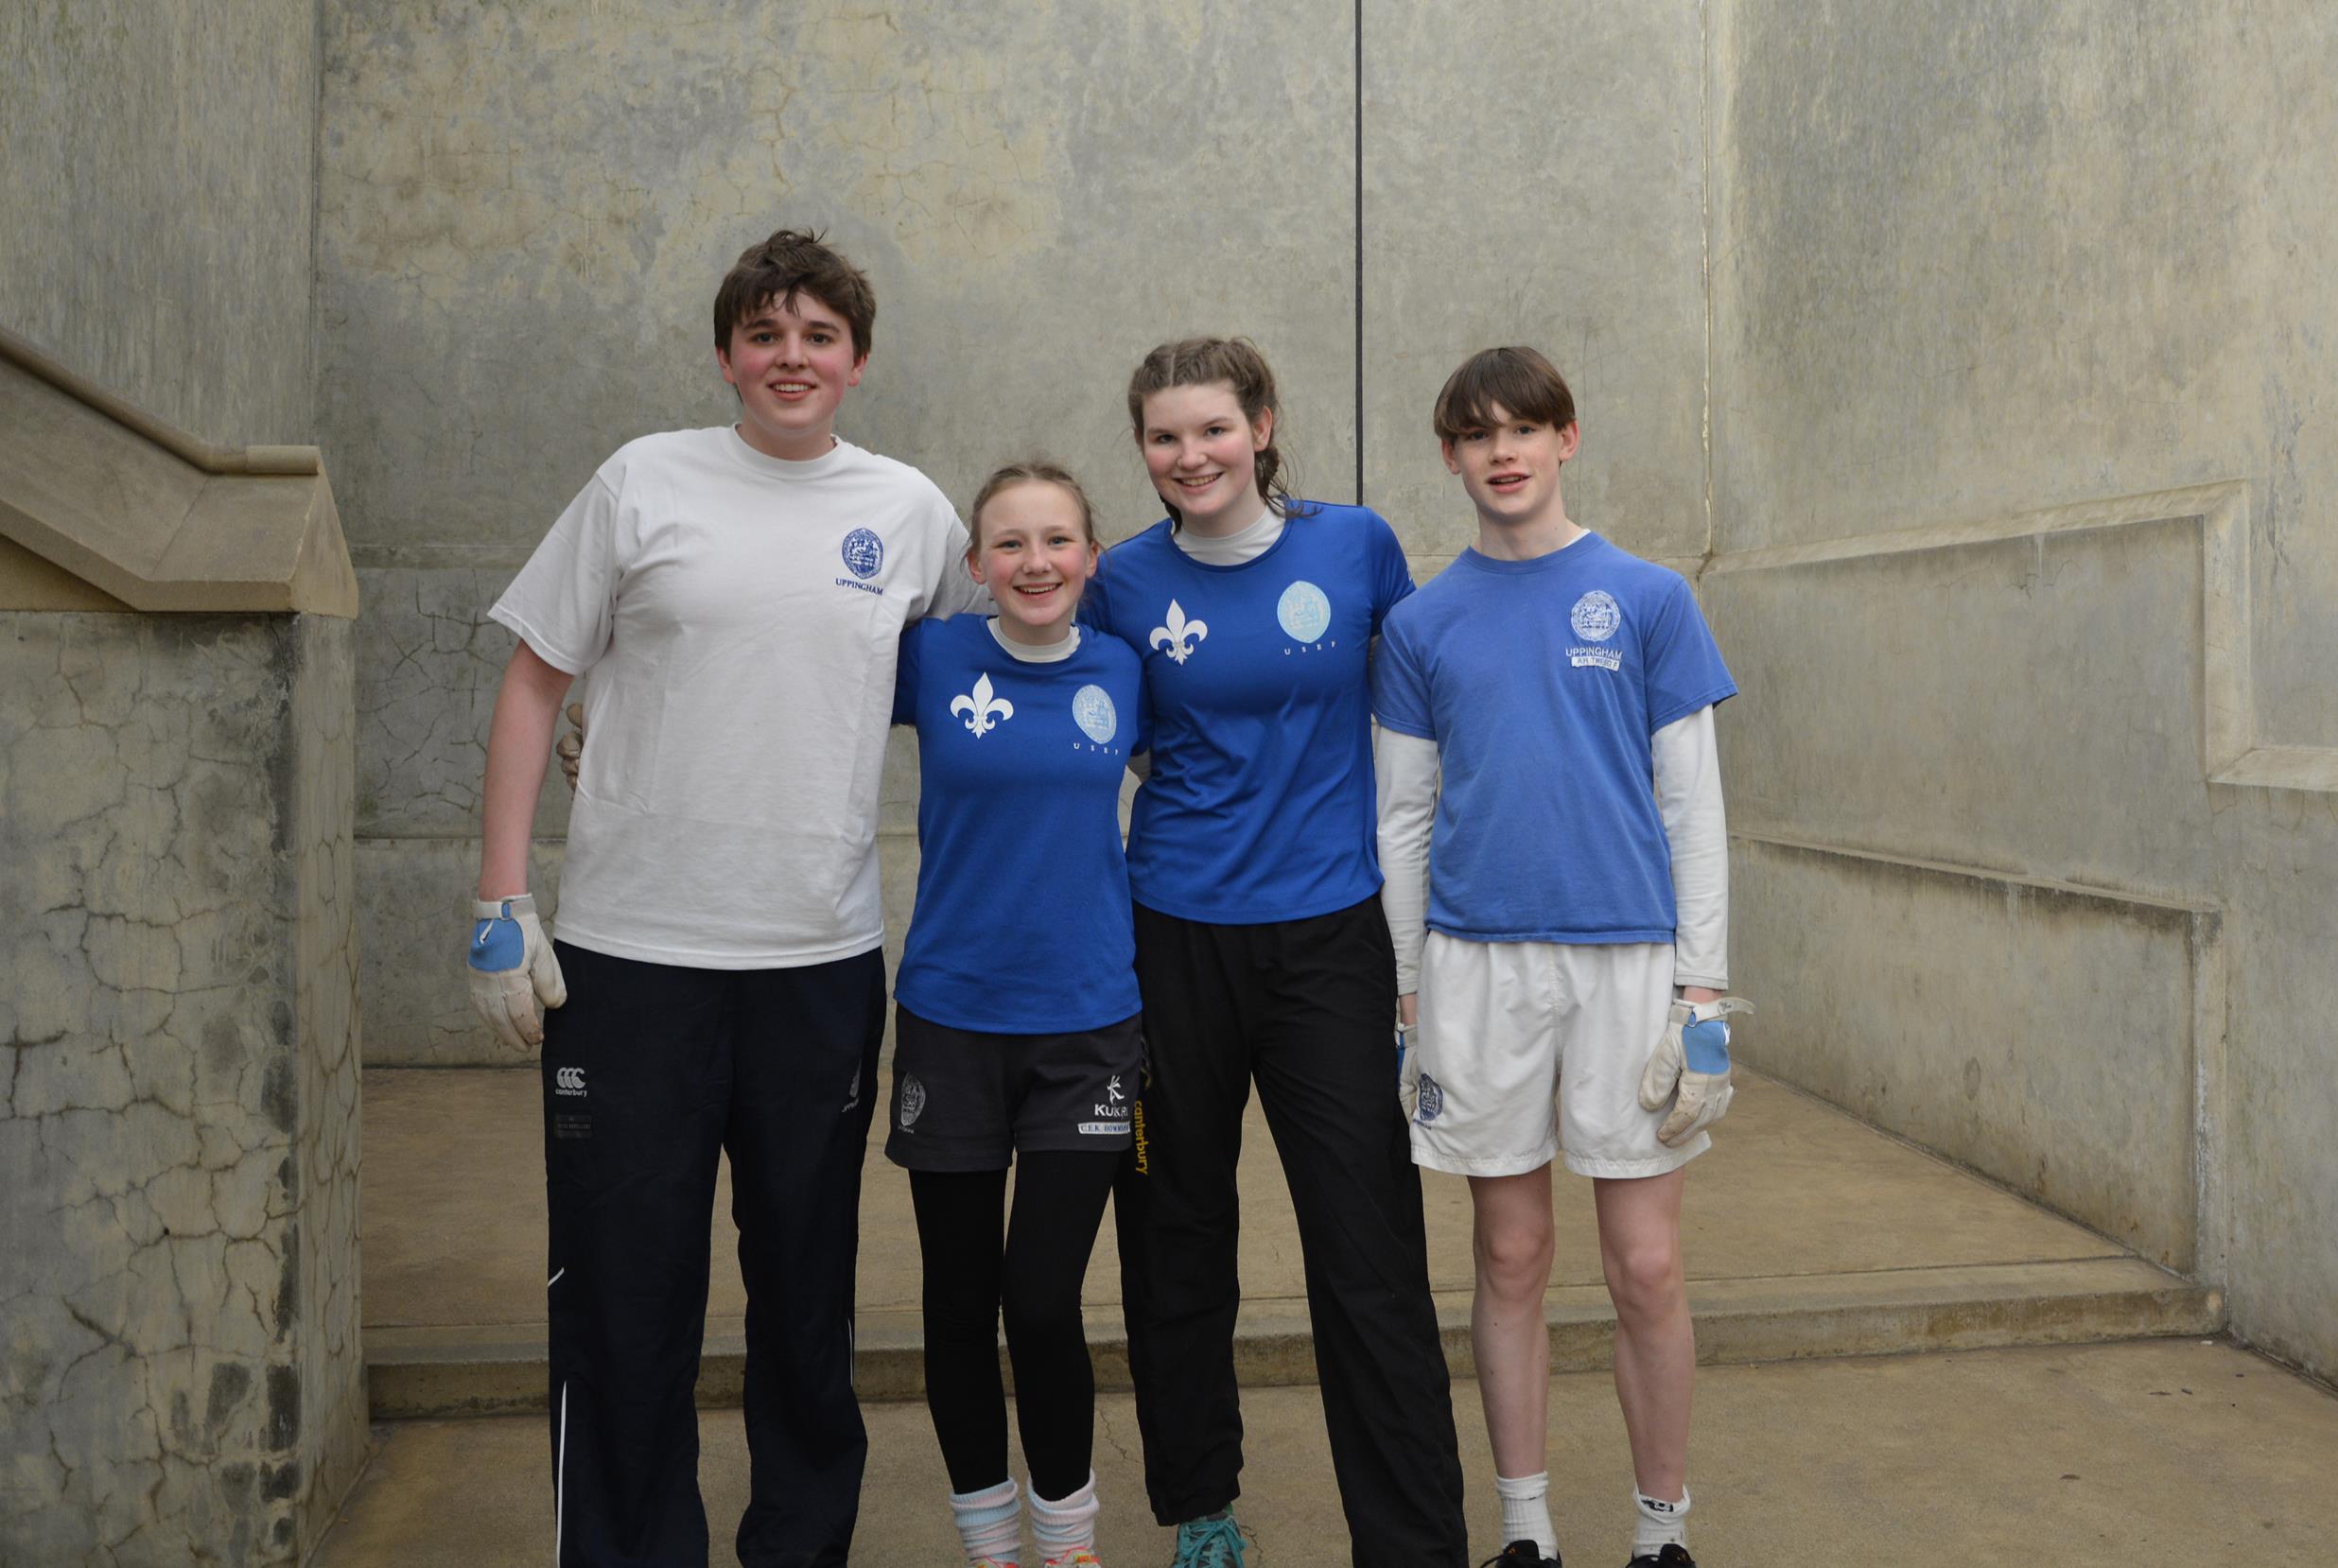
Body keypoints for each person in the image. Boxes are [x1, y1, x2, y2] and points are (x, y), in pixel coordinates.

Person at [467, 227, 986, 1567]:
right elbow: (536, 681)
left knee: (808, 1295)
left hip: (818, 960)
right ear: (726, 355)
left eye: (819, 336)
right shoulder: (643, 483)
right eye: (765, 335)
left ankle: (799, 1546)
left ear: (857, 361)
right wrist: (499, 897)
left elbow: (986, 697)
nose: (791, 357)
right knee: (627, 1295)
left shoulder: (915, 515)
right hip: (628, 959)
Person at [1079, 337, 1469, 1568]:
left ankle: (1411, 1541)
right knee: (1176, 1236)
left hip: (1330, 943)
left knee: (1368, 1249)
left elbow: (1420, 716)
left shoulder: (1356, 546)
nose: (1190, 455)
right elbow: (1102, 733)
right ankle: (1201, 1507)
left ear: (1262, 425)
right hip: (1172, 942)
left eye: (1212, 428)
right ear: (1143, 449)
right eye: (1164, 436)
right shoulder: (1122, 582)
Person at [1372, 346, 1745, 1568]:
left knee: (1644, 1263)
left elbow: (1693, 808)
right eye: (1477, 433)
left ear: (1567, 437)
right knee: (1511, 1251)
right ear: (1450, 456)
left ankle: (1661, 1530)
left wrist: (1703, 993)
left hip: (1633, 968)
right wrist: (1409, 991)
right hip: (1477, 968)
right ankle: (1524, 1527)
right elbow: (1406, 818)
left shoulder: (1646, 598)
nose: (1503, 450)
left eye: (1525, 427)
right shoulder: (1420, 621)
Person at [884, 460, 1146, 1568]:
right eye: (1009, 544)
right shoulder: (930, 655)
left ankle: (1067, 1539)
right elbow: (782, 674)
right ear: (976, 565)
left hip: (1088, 1023)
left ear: (1090, 554)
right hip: (950, 1014)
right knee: (956, 1299)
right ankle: (990, 1541)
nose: (1034, 563)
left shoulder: (1129, 670)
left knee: (1040, 1298)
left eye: (1056, 540)